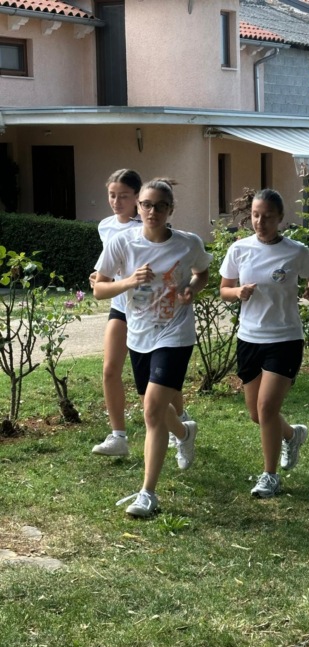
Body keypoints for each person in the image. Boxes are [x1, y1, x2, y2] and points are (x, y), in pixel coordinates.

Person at [93, 178, 212, 517]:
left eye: (160, 206)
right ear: (139, 206)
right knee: (154, 405)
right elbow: (99, 289)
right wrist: (130, 280)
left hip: (175, 333)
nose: (152, 211)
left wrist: (192, 288)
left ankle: (148, 494)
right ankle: (184, 433)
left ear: (170, 209)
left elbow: (202, 272)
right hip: (139, 333)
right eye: (146, 204)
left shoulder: (188, 243)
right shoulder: (122, 242)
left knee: (151, 410)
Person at [219, 188, 309, 499]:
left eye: (267, 216)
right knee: (256, 413)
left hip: (285, 338)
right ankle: (291, 435)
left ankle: (270, 476)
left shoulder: (296, 251)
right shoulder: (239, 249)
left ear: (280, 218)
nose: (260, 222)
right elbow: (224, 289)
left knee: (266, 408)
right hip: (249, 338)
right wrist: (237, 293)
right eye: (255, 215)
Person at [91, 169, 191, 458]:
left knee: (161, 381)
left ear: (137, 198)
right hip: (121, 305)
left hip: (154, 311)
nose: (116, 201)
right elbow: (108, 272)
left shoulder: (149, 223)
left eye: (123, 196)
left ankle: (180, 424)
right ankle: (118, 436)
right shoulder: (106, 227)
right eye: (112, 195)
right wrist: (101, 278)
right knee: (110, 369)